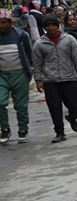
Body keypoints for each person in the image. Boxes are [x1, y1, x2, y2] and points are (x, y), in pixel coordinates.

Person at [30, 15, 77, 144]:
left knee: (75, 104)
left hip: (69, 77)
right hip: (50, 80)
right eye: (47, 26)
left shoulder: (69, 39)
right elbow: (37, 63)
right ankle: (59, 132)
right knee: (54, 107)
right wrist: (38, 79)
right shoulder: (39, 44)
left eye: (53, 25)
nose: (50, 28)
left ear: (58, 25)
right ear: (44, 28)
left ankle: (72, 117)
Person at [0, 9, 34, 145]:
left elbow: (29, 52)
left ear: (10, 22)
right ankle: (5, 128)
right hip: (2, 75)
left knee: (21, 104)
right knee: (0, 102)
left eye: (4, 22)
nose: (1, 25)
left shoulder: (21, 35)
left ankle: (23, 130)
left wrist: (31, 69)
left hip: (20, 73)